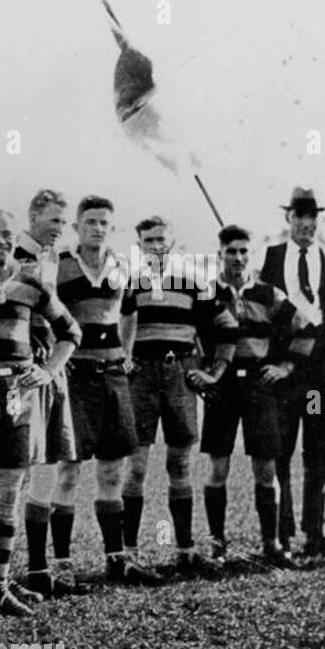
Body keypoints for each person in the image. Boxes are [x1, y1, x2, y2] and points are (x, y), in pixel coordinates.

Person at [0, 209, 80, 617]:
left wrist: (47, 371)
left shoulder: (32, 283)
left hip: (20, 392)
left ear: (16, 239)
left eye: (6, 235)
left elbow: (70, 332)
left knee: (11, 489)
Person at [53, 195, 161, 585]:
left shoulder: (122, 266)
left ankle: (116, 558)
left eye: (104, 223)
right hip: (76, 375)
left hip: (114, 374)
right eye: (91, 221)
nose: (98, 228)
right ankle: (62, 565)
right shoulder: (60, 265)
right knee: (69, 470)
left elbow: (130, 312)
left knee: (113, 469)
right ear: (76, 226)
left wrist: (127, 352)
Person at [122, 215, 236, 575]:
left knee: (180, 464)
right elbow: (109, 327)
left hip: (179, 376)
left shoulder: (193, 281)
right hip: (139, 375)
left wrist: (214, 372)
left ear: (174, 242)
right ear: (139, 244)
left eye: (163, 240)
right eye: (150, 240)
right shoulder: (128, 282)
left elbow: (227, 328)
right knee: (136, 465)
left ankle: (184, 550)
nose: (157, 246)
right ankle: (127, 553)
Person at [257, 188, 325, 560]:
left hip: (318, 377)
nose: (305, 224)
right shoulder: (269, 258)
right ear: (288, 219)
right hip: (284, 372)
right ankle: (281, 536)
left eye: (311, 218)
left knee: (317, 446)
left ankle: (316, 535)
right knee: (281, 449)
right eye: (299, 217)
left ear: (318, 221)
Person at [201, 225, 315, 567]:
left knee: (265, 467)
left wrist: (285, 368)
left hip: (258, 385)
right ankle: (217, 546)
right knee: (217, 467)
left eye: (244, 251)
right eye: (231, 251)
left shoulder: (270, 294)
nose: (238, 258)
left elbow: (307, 331)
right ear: (219, 252)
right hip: (220, 385)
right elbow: (187, 333)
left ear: (251, 254)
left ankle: (272, 544)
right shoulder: (205, 294)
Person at [15, 189, 87, 598]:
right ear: (33, 216)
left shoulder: (50, 256)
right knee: (13, 471)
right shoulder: (15, 254)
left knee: (48, 466)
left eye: (64, 222)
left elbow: (61, 319)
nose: (61, 229)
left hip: (49, 370)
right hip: (22, 371)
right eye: (54, 221)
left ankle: (40, 569)